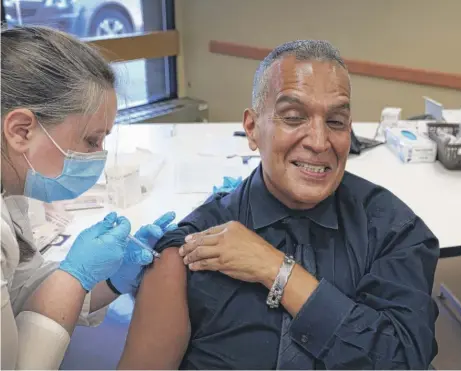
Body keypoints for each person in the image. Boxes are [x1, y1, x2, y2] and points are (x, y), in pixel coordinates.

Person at [122, 40, 439, 369]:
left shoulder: (392, 230)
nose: (318, 142)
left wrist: (278, 271)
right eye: (293, 117)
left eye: (335, 121)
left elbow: (404, 361)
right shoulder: (190, 251)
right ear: (252, 128)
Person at [0, 26, 178, 370]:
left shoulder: (11, 193)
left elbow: (19, 293)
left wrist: (108, 280)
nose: (99, 155)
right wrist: (75, 275)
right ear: (22, 130)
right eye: (92, 140)